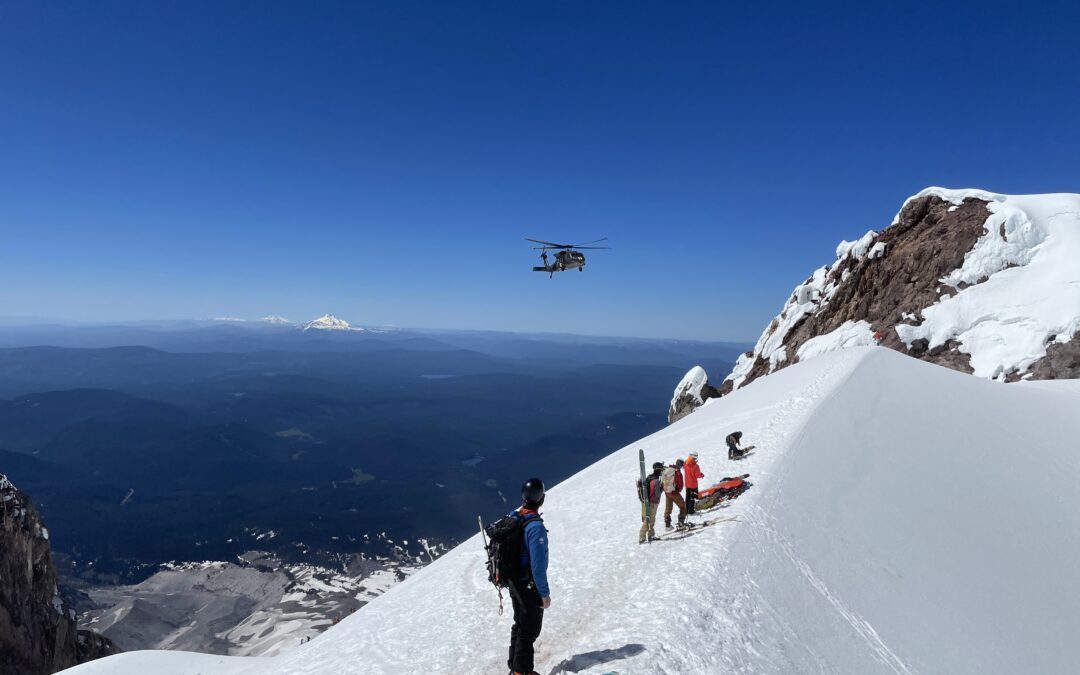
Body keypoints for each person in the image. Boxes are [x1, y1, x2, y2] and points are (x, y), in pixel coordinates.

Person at [506, 478, 550, 675]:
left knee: (520, 623)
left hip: (513, 581)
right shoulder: (535, 527)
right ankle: (521, 672)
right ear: (541, 499)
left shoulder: (515, 516)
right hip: (527, 583)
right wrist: (544, 594)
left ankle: (514, 667)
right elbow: (537, 565)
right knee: (529, 629)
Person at [638, 461, 664, 543]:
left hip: (648, 502)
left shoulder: (649, 477)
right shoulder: (656, 480)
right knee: (649, 520)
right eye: (661, 470)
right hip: (653, 503)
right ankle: (642, 537)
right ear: (658, 470)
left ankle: (651, 535)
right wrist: (662, 488)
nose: (662, 472)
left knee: (651, 519)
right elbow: (657, 494)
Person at [662, 459, 687, 530]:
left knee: (668, 509)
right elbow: (679, 483)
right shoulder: (677, 472)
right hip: (674, 492)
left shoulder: (668, 469)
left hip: (667, 492)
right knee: (683, 506)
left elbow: (663, 479)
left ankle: (667, 525)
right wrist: (678, 489)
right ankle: (681, 523)